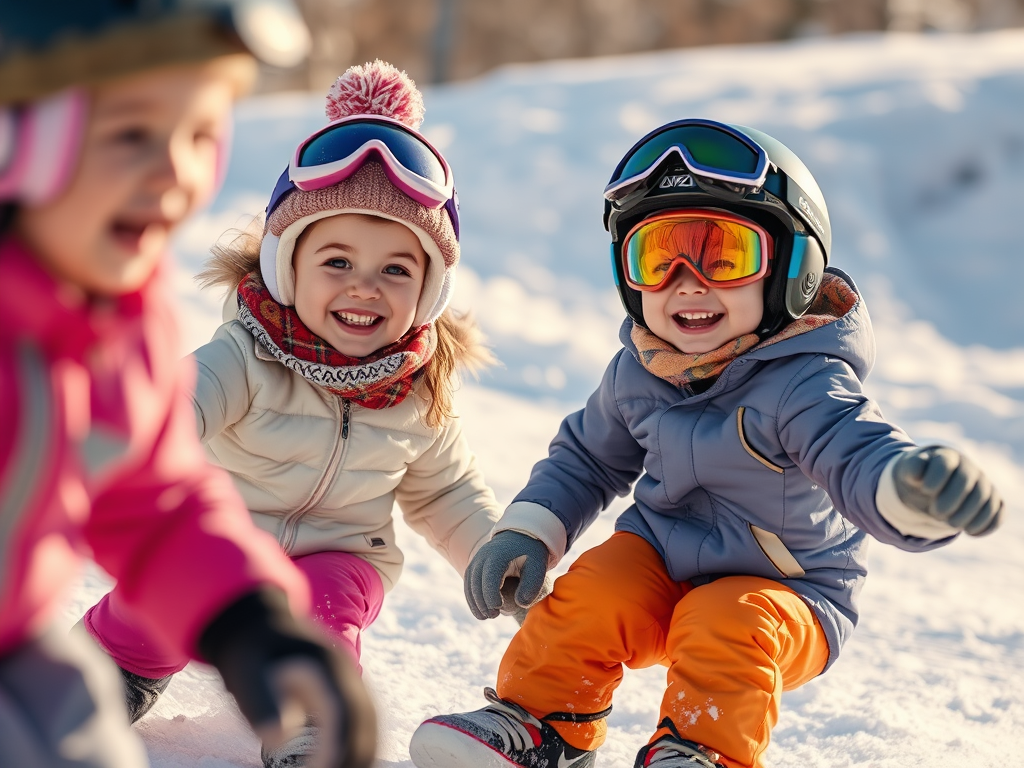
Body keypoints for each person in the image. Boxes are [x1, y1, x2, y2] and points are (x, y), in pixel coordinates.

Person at [407, 119, 1005, 768]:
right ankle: (542, 722)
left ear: (792, 268)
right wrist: (529, 530)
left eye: (724, 257)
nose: (688, 282)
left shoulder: (807, 379)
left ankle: (702, 750)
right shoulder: (642, 369)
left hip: (787, 592)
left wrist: (911, 489)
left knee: (728, 621)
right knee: (594, 591)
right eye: (658, 258)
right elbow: (585, 458)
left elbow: (856, 453)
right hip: (663, 560)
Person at [81, 59, 507, 767]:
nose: (364, 288)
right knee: (154, 605)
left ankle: (313, 727)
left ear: (430, 291)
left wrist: (496, 553)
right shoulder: (246, 354)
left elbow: (447, 491)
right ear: (287, 268)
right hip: (222, 536)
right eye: (336, 262)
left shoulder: (418, 387)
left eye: (397, 270)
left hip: (340, 555)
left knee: (327, 611)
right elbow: (171, 412)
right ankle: (101, 674)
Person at [0, 3, 376, 767]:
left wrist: (248, 618)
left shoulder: (118, 328)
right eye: (132, 134)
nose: (177, 171)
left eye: (201, 133)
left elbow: (156, 501)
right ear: (17, 142)